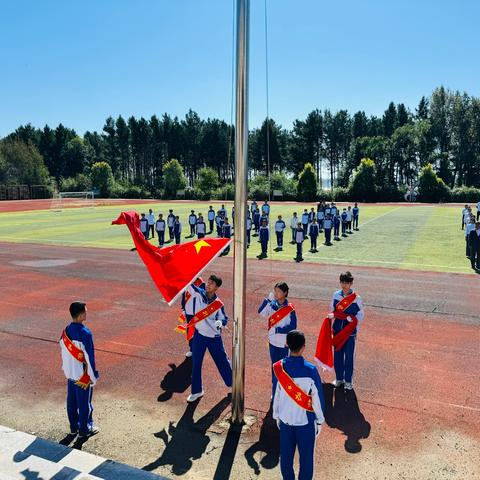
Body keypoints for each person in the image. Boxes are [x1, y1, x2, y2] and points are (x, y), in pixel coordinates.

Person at [273, 330, 325, 480]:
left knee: (286, 459)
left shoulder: (278, 368)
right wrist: (320, 420)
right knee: (307, 460)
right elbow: (318, 399)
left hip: (285, 421)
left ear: (286, 345)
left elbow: (276, 394)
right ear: (304, 347)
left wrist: (276, 415)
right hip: (306, 423)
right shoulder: (311, 370)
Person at [186, 275, 232, 402]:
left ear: (217, 287)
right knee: (196, 363)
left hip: (213, 338)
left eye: (212, 283)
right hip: (199, 335)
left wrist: (220, 323)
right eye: (208, 282)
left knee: (222, 361)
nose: (208, 284)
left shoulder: (218, 304)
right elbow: (188, 285)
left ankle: (232, 383)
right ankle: (197, 391)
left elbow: (224, 318)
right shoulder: (198, 294)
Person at [60, 301, 99, 438]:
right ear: (81, 314)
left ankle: (73, 428)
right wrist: (92, 375)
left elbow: (63, 350)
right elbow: (89, 357)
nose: (87, 313)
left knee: (71, 402)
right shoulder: (85, 333)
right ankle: (84, 429)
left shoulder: (66, 331)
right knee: (84, 404)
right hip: (82, 376)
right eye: (86, 311)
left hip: (70, 373)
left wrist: (66, 369)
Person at [258, 283, 297, 398]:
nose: (276, 294)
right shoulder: (271, 305)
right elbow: (260, 312)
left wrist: (278, 329)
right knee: (274, 367)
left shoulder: (290, 308)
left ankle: (283, 391)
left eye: (279, 291)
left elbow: (293, 326)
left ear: (285, 293)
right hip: (272, 343)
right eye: (275, 291)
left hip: (284, 344)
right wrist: (267, 300)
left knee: (284, 369)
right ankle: (275, 391)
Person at [330, 271, 365, 390]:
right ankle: (339, 378)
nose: (344, 285)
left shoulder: (356, 298)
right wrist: (332, 316)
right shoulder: (335, 295)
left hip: (349, 333)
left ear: (351, 283)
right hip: (337, 331)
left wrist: (353, 323)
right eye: (342, 282)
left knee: (349, 357)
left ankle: (348, 381)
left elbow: (361, 315)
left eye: (347, 283)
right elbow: (332, 310)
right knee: (338, 356)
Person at [180, 277, 206, 358]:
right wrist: (183, 308)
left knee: (198, 331)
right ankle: (192, 349)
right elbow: (183, 296)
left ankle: (199, 349)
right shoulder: (186, 282)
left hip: (197, 312)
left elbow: (202, 296)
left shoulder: (201, 283)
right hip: (189, 312)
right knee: (190, 331)